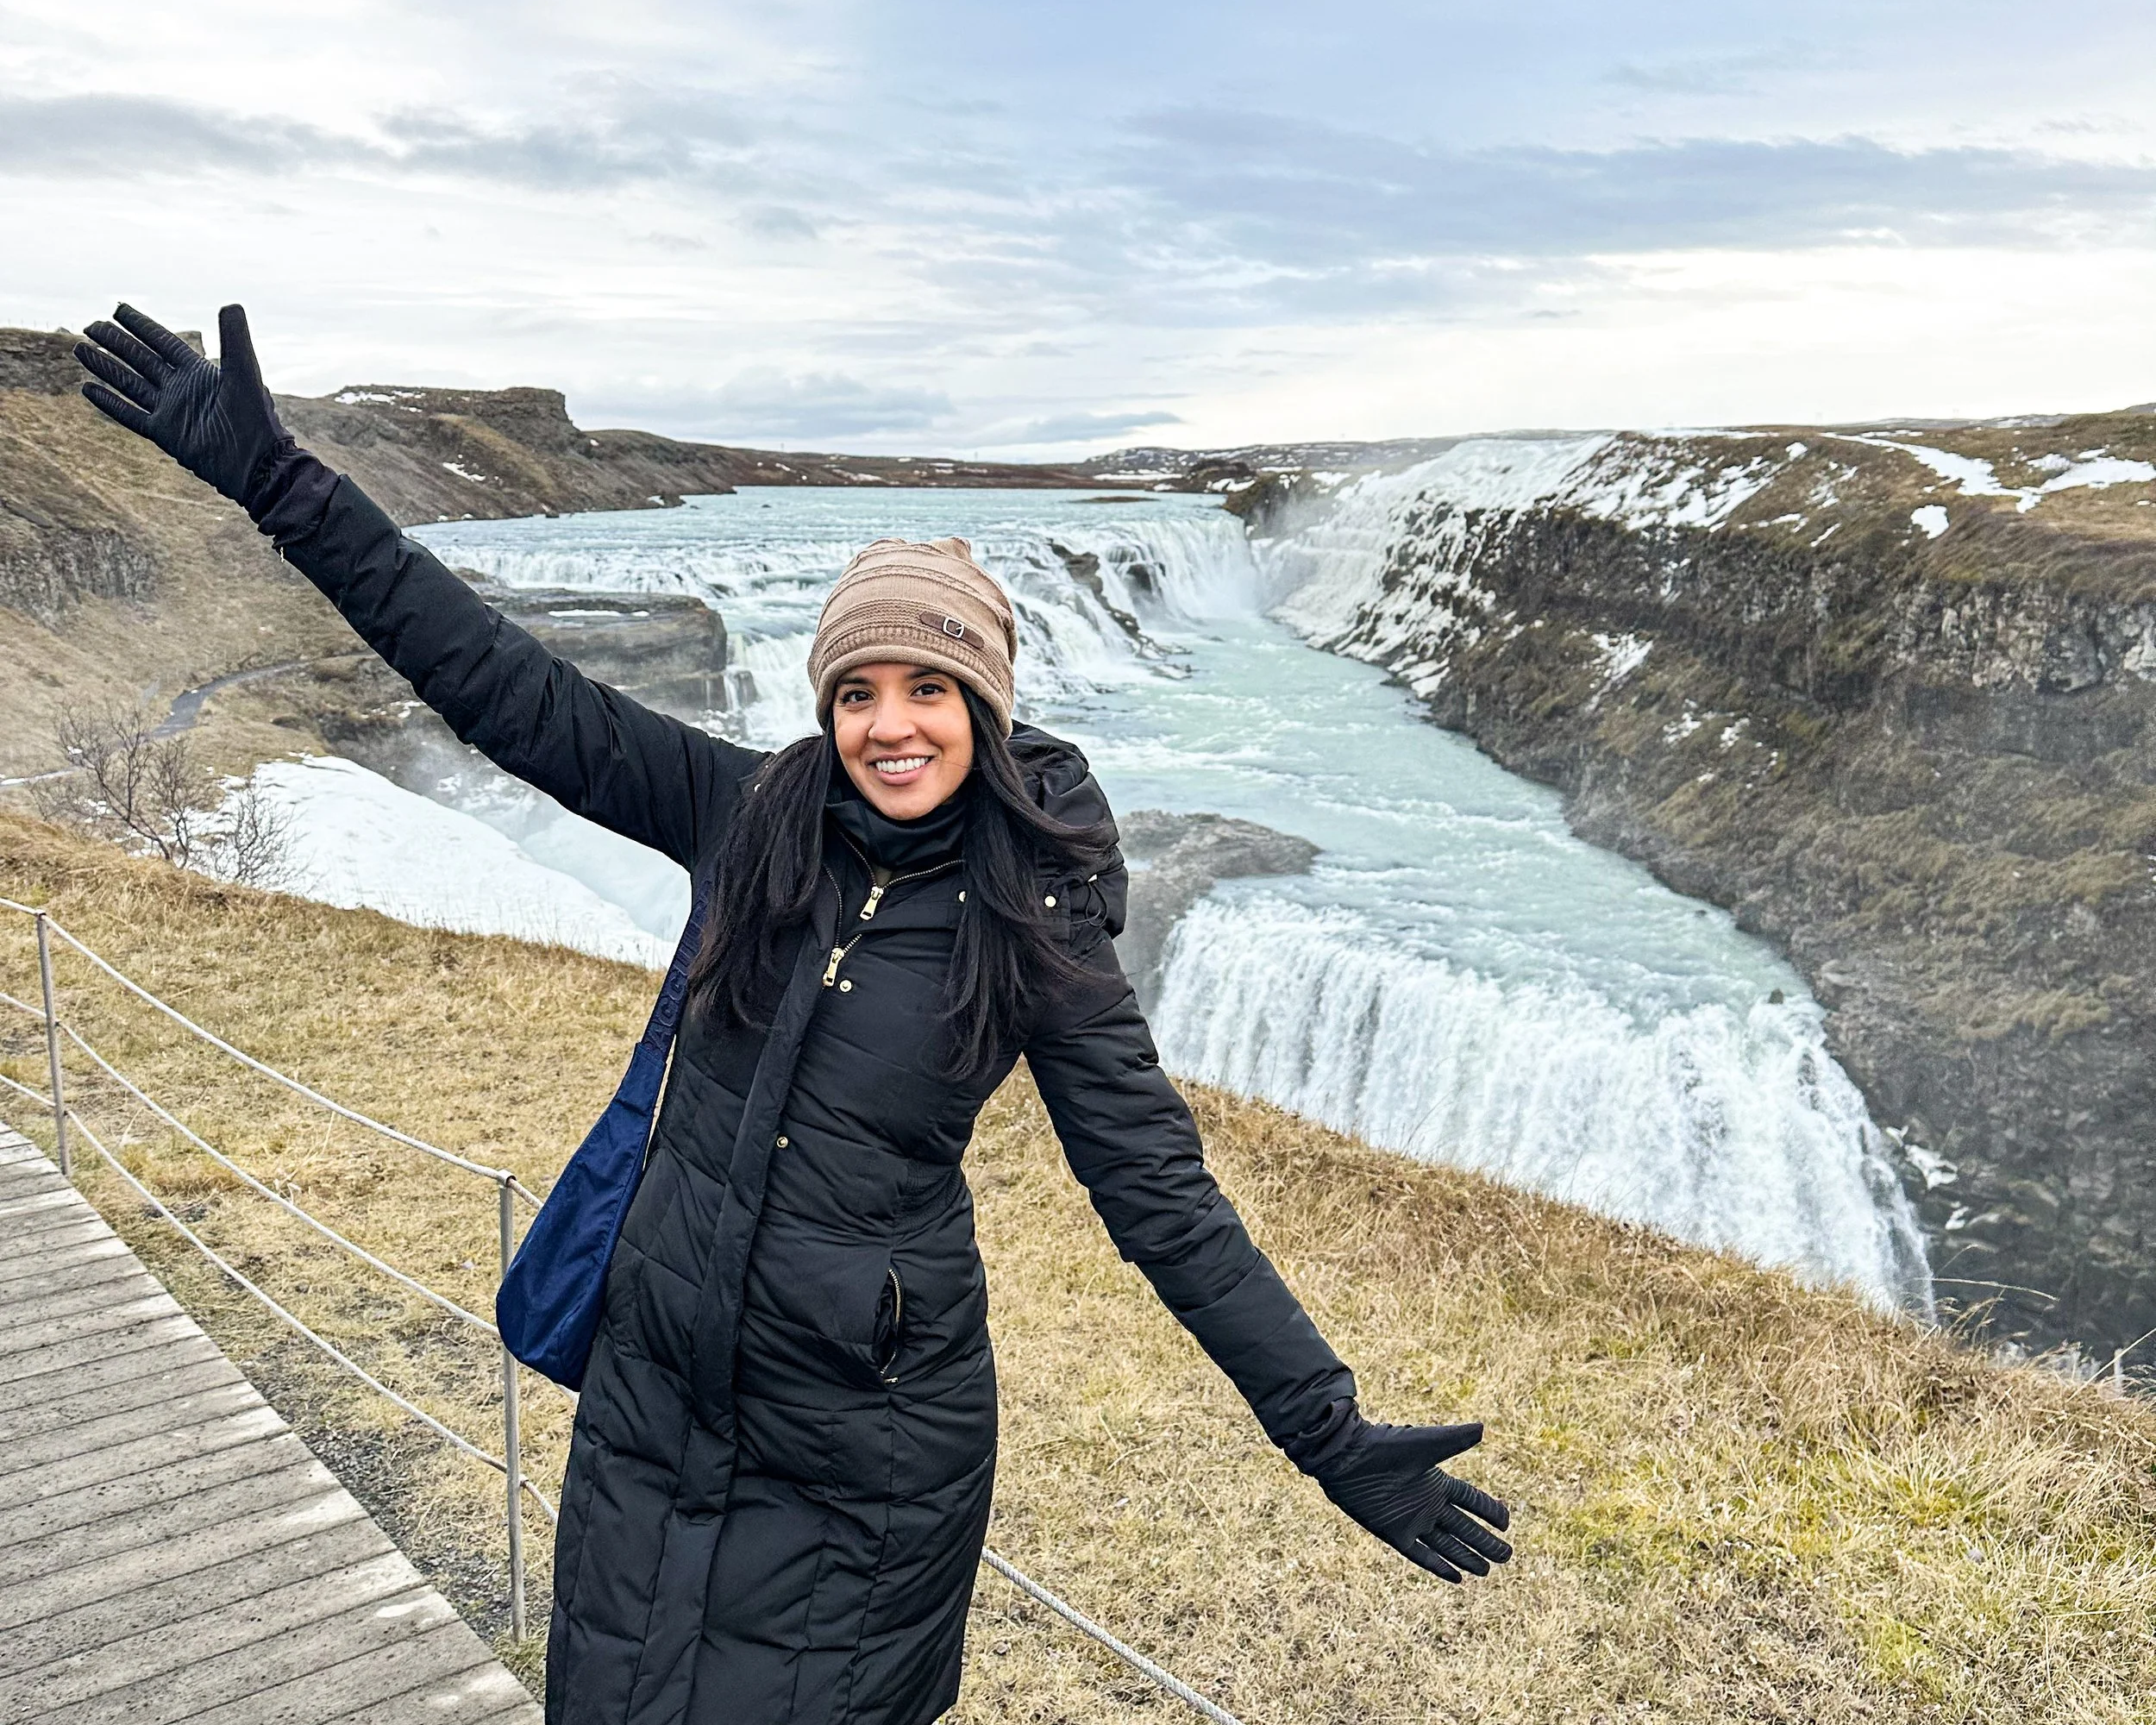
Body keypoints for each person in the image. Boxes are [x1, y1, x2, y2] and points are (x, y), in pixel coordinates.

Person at [74, 304, 1513, 1725]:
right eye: (861, 689)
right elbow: (497, 682)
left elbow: (1161, 1196)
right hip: (651, 1410)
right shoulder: (746, 816)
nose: (893, 724)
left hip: (864, 1464)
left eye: (932, 687)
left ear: (987, 705)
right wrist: (285, 486)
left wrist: (1329, 1437)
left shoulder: (1035, 917)